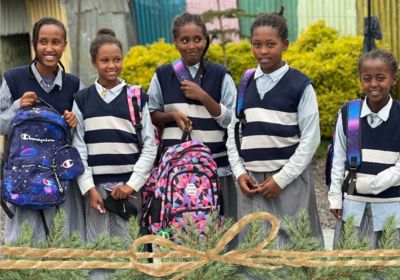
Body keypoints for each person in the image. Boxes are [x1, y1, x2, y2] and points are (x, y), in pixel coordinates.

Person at [226, 8, 324, 248]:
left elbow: (311, 139)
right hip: (251, 183)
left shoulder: (300, 85)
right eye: (256, 44)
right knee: (254, 243)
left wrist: (281, 179)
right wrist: (239, 172)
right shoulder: (245, 82)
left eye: (270, 44)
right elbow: (234, 132)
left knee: (294, 242)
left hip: (288, 181)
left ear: (285, 44)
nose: (263, 51)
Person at [0, 17, 85, 242]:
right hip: (23, 177)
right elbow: (0, 124)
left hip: (60, 179)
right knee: (25, 242)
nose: (49, 48)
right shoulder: (13, 79)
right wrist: (18, 105)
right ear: (34, 44)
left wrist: (75, 122)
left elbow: (81, 135)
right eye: (42, 42)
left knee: (63, 239)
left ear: (65, 45)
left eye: (56, 42)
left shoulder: (74, 85)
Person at [147, 13, 237, 226]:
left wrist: (203, 96)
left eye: (198, 39)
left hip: (215, 167)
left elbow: (231, 120)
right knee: (180, 224)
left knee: (218, 225)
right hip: (175, 170)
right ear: (175, 42)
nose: (191, 46)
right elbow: (151, 113)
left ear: (206, 40)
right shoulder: (163, 75)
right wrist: (172, 115)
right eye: (184, 40)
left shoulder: (220, 75)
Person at [72, 28, 156, 243]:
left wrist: (132, 184)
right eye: (105, 60)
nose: (112, 65)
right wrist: (89, 188)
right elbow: (78, 148)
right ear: (94, 62)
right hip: (97, 190)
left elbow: (149, 145)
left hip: (130, 189)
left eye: (117, 59)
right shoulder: (82, 100)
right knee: (100, 249)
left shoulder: (136, 97)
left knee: (131, 247)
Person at [328, 49, 399, 249]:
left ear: (393, 79)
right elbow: (338, 157)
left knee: (387, 268)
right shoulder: (349, 114)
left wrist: (371, 185)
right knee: (351, 266)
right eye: (367, 78)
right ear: (360, 80)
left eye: (380, 78)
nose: (374, 84)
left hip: (392, 208)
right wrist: (335, 197)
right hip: (353, 208)